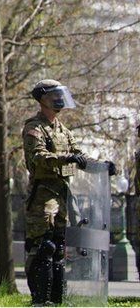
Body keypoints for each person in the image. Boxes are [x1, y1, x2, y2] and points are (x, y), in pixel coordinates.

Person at [21, 79, 116, 306]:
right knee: (44, 248)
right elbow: (37, 159)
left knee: (59, 249)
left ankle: (57, 301)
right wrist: (67, 159)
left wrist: (102, 166)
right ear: (42, 98)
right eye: (54, 95)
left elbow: (80, 158)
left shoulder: (63, 131)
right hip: (43, 198)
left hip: (63, 195)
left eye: (60, 94)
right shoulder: (34, 127)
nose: (59, 99)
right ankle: (40, 301)